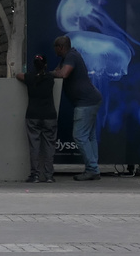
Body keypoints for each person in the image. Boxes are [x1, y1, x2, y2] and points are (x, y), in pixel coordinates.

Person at [60, 38, 101, 182]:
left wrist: (51, 74)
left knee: (79, 135)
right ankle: (93, 167)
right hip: (92, 99)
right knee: (90, 136)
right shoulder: (71, 55)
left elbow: (64, 73)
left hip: (85, 102)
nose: (55, 51)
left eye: (56, 48)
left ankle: (93, 169)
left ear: (61, 47)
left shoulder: (71, 55)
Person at [23, 51, 64, 183]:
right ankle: (49, 175)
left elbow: (18, 75)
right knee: (49, 146)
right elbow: (57, 73)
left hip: (33, 115)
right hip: (49, 115)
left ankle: (34, 175)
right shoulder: (50, 78)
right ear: (45, 65)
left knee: (34, 146)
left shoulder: (29, 77)